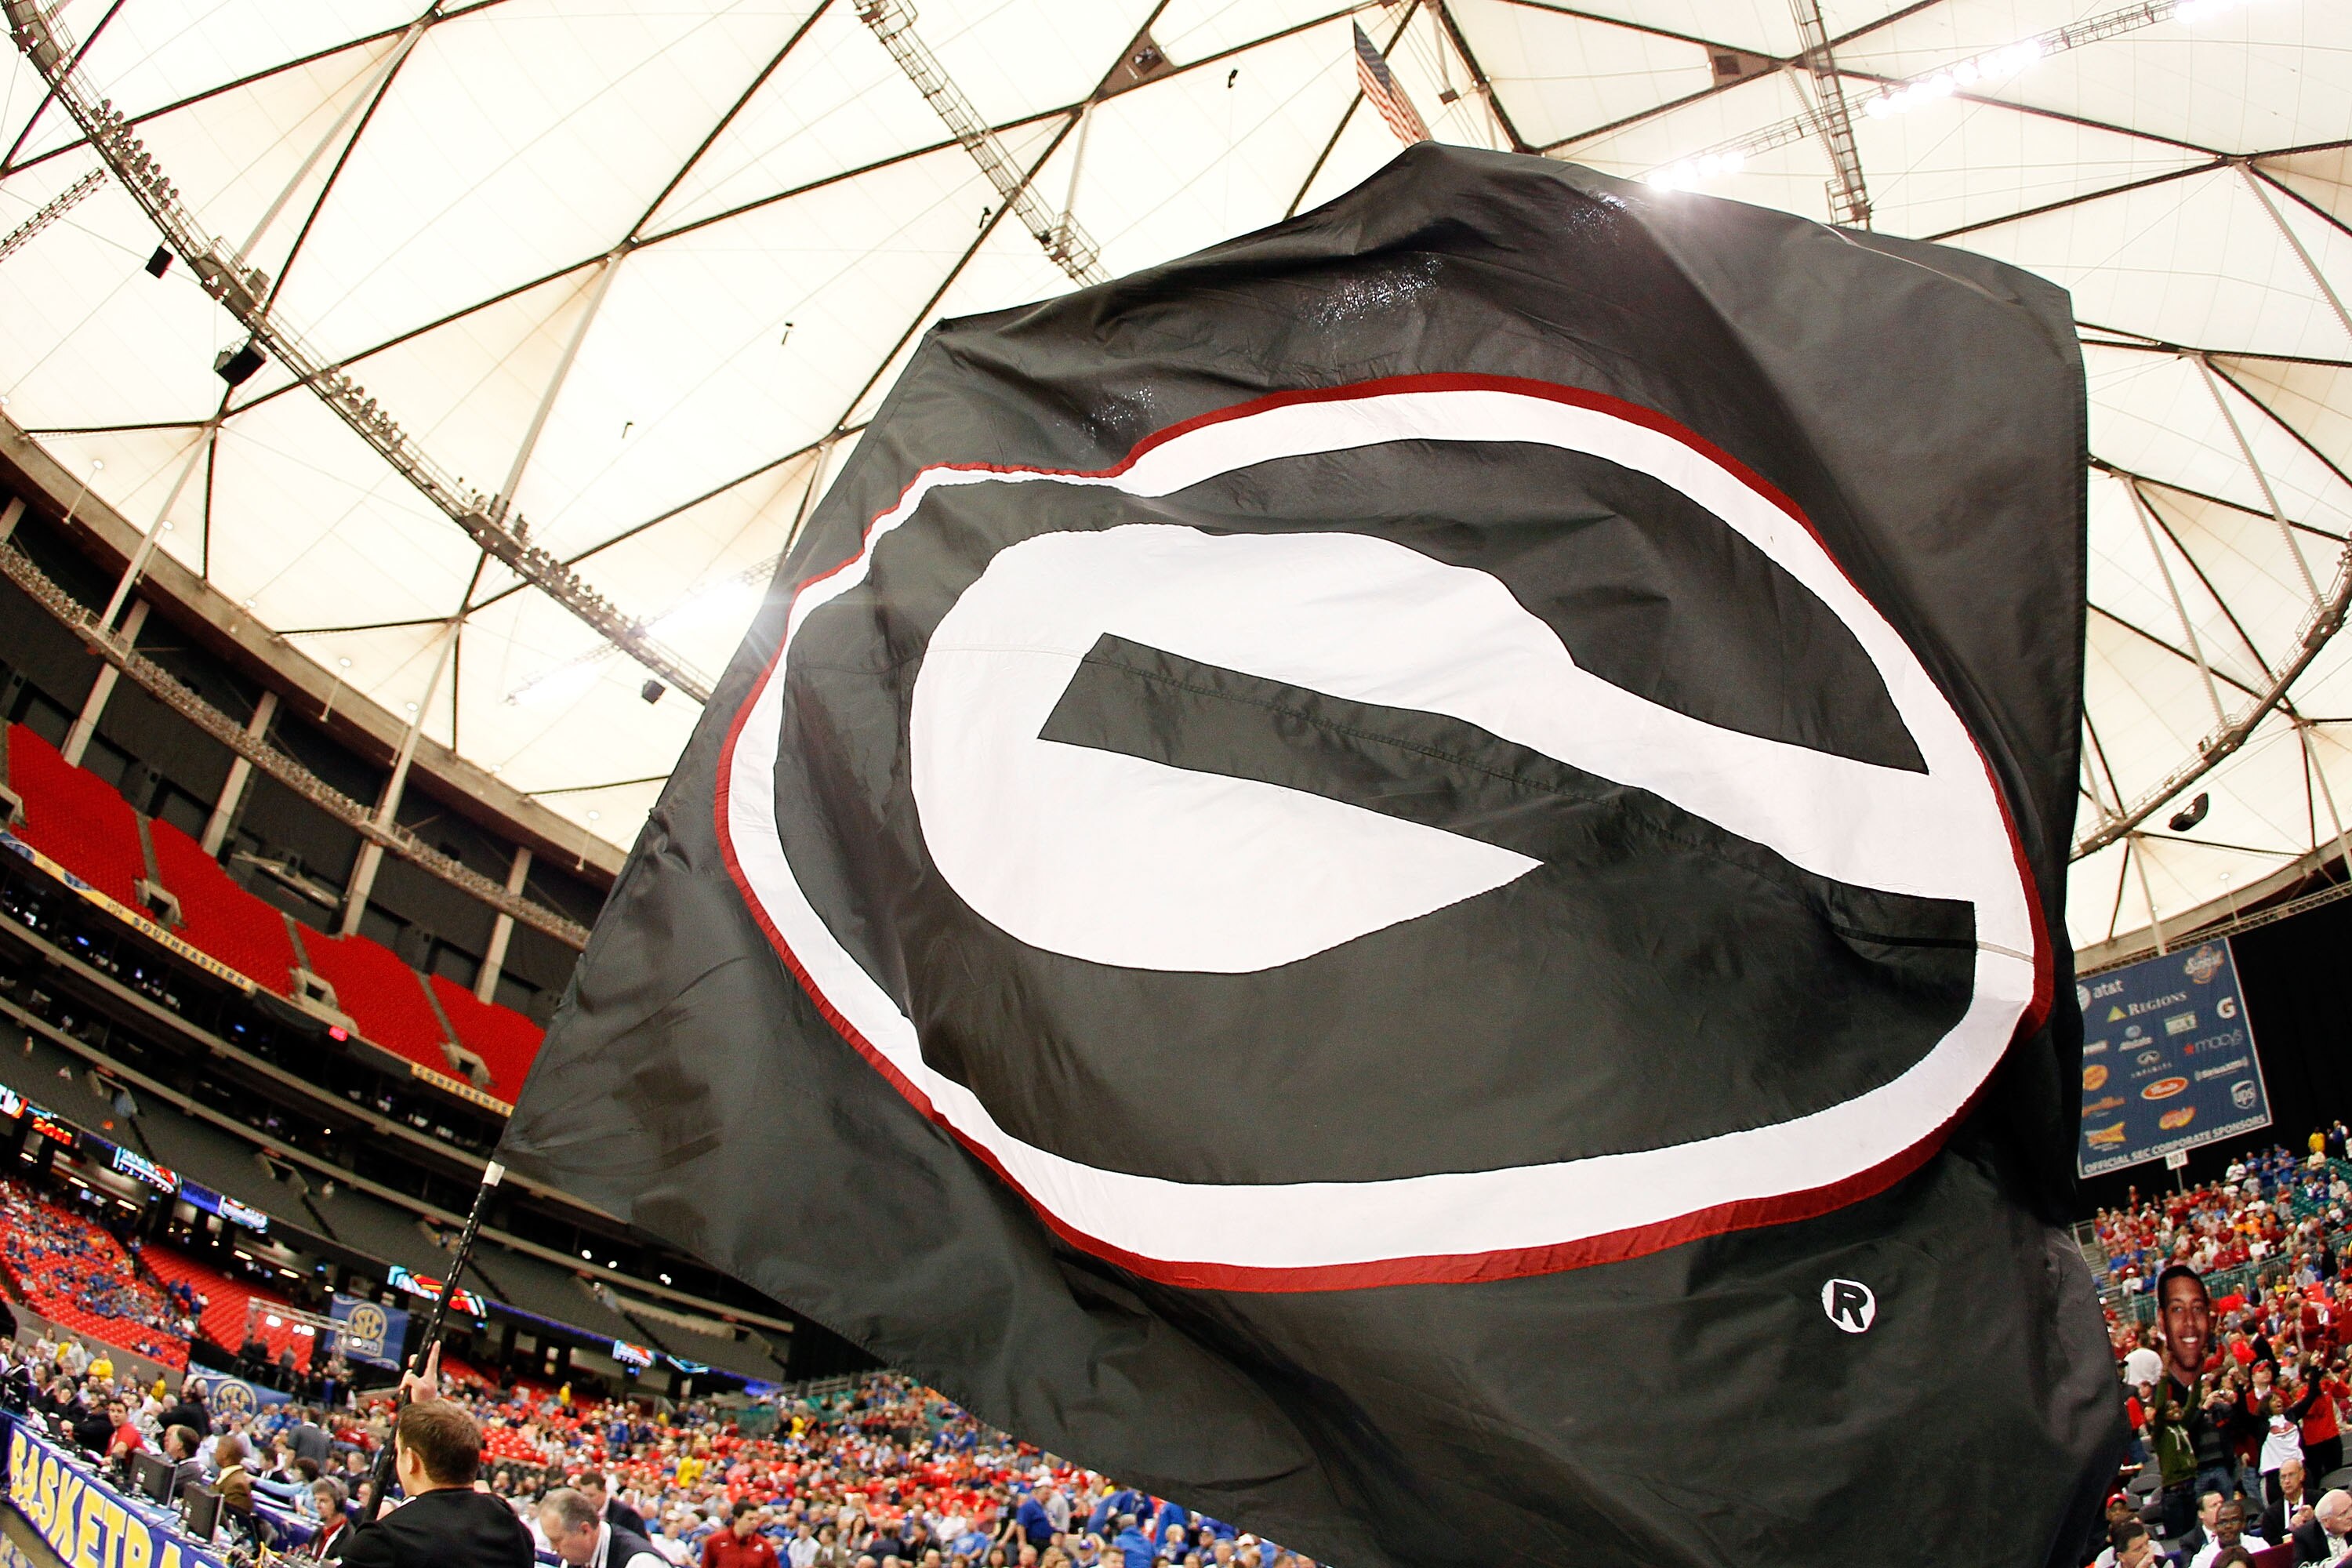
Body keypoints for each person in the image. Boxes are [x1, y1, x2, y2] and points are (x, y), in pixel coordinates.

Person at [342, 1352, 535, 1568]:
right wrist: (428, 1409)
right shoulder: (509, 1527)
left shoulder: (384, 1540)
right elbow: (478, 1487)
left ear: (412, 1460)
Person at [541, 1487, 668, 1568]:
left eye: (557, 1540)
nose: (553, 1548)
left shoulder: (641, 1563)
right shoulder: (573, 1561)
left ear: (585, 1530)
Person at [2191, 1499, 2268, 1568]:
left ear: (2243, 1523)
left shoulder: (2260, 1546)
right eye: (2223, 1522)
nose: (2228, 1526)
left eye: (2234, 1520)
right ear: (2216, 1526)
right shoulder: (2203, 1559)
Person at [702, 1502, 780, 1568]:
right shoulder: (714, 1542)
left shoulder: (765, 1547)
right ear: (736, 1519)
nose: (754, 1523)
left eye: (756, 1519)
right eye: (750, 1519)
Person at [584, 1474, 653, 1542]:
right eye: (584, 1495)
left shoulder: (626, 1513)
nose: (587, 1500)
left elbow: (640, 1542)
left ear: (604, 1491)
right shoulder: (584, 1514)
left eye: (591, 1495)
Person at [307, 1478, 355, 1561]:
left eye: (323, 1501)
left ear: (339, 1504)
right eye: (316, 1500)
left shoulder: (349, 1540)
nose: (317, 1506)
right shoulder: (317, 1534)